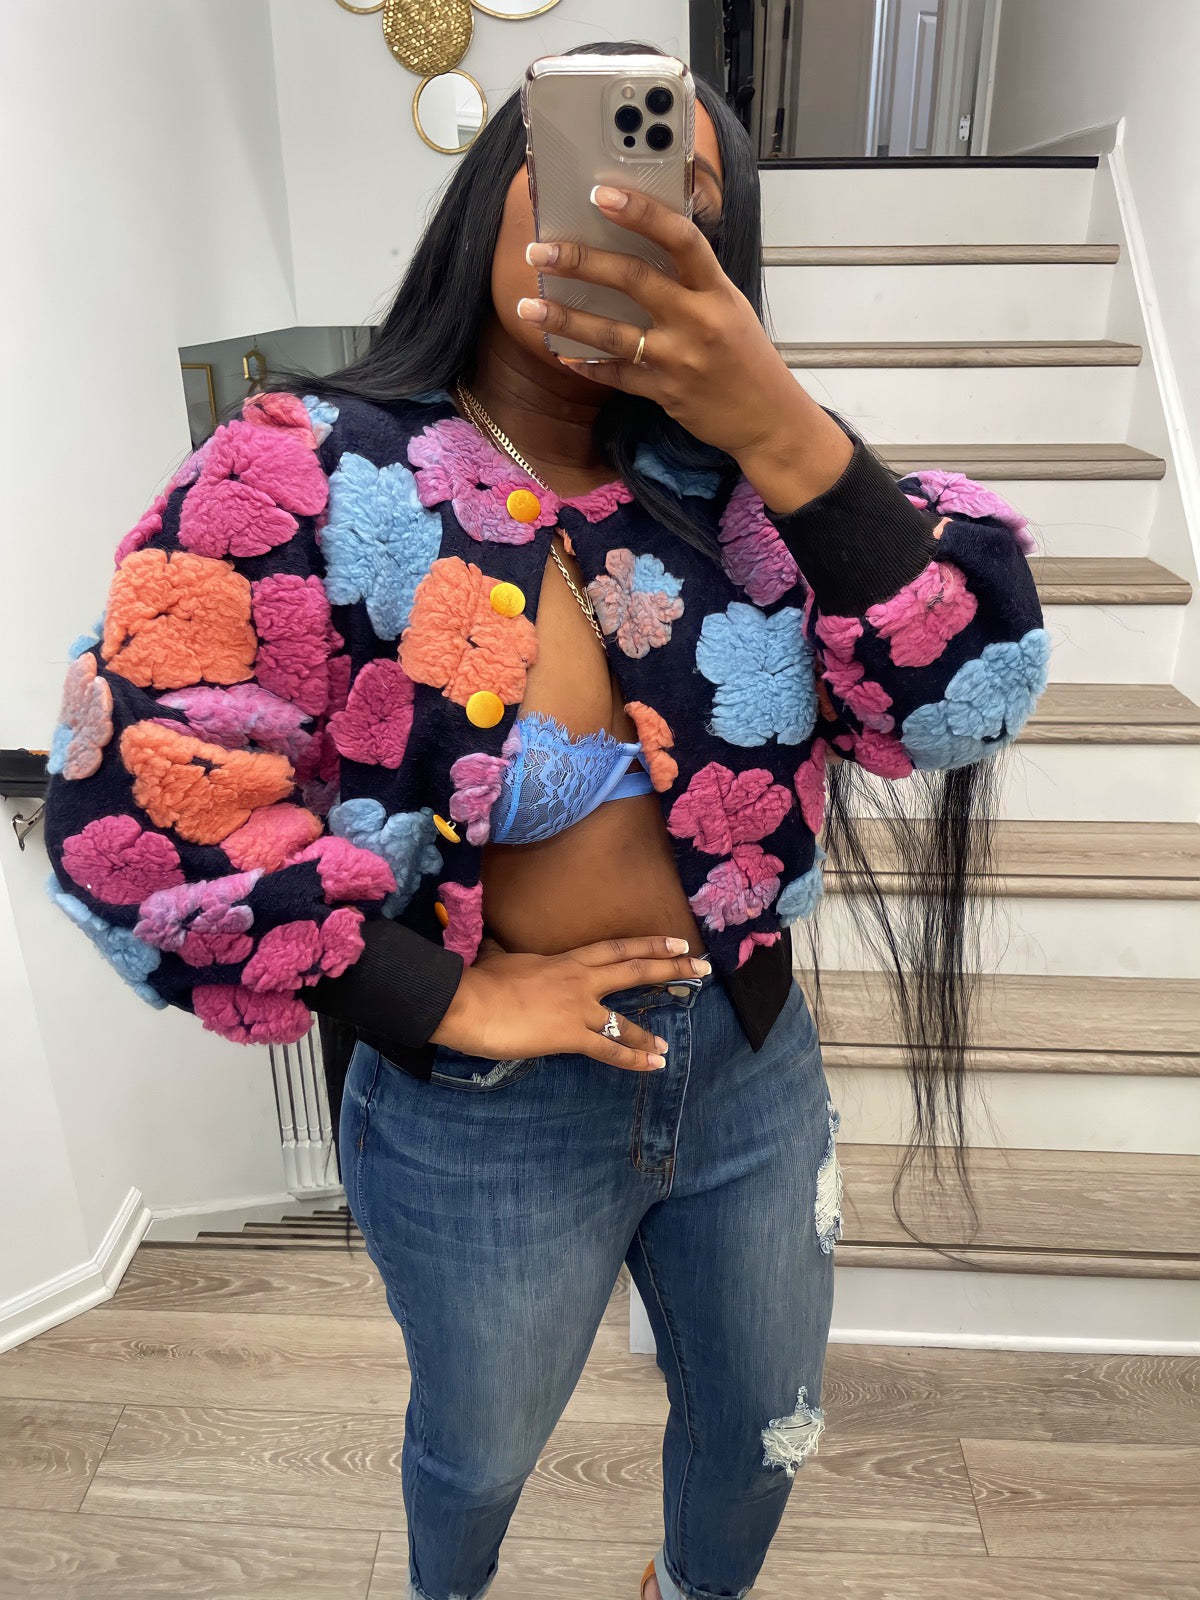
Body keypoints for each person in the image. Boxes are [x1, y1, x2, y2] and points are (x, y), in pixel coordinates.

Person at [41, 41, 1048, 1600]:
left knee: (762, 1433)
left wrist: (779, 423)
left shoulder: (771, 486)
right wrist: (440, 995)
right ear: (493, 198)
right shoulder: (305, 471)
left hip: (751, 1068)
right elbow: (138, 803)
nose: (626, 217)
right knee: (480, 1447)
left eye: (682, 201)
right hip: (480, 1111)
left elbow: (964, 695)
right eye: (583, 167)